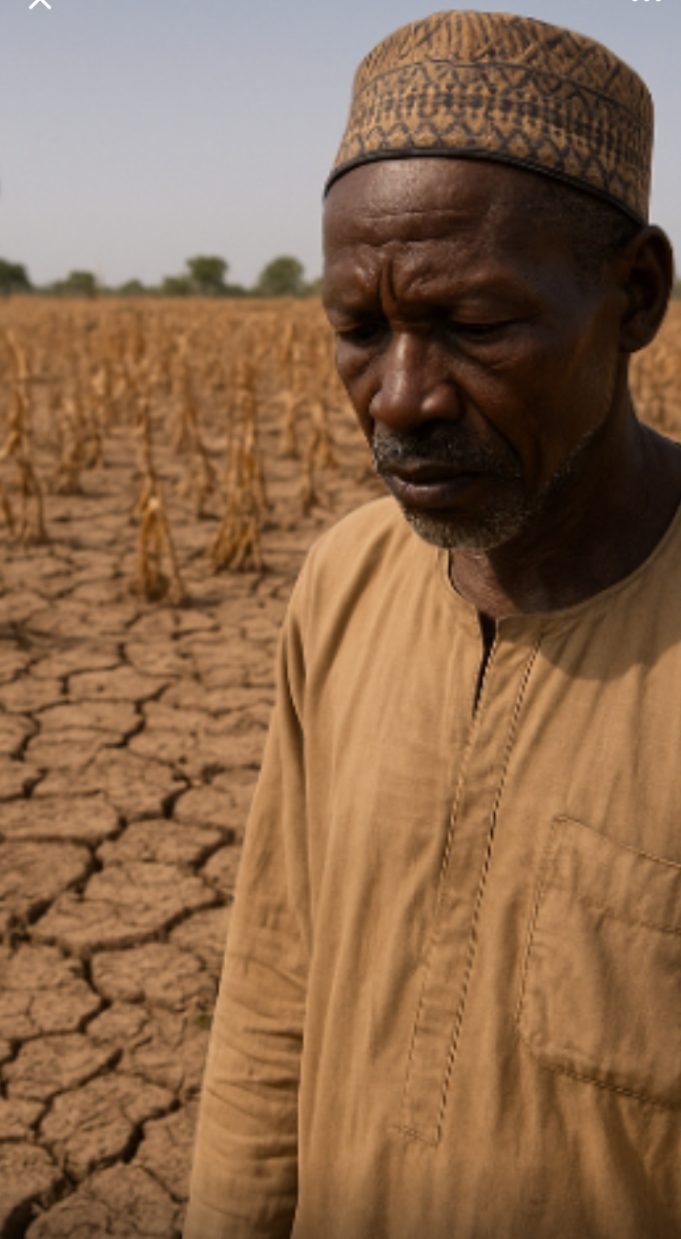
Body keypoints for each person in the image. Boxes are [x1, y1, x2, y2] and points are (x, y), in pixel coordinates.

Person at [185, 12, 681, 1238]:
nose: (399, 399)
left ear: (635, 298)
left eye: (474, 325)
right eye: (359, 330)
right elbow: (272, 995)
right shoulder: (343, 584)